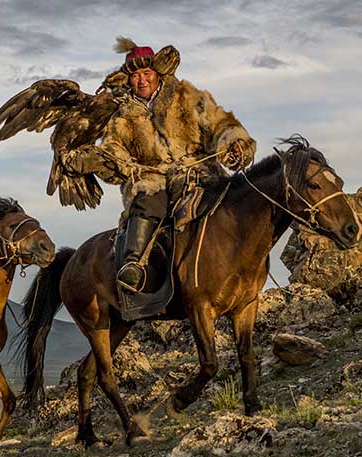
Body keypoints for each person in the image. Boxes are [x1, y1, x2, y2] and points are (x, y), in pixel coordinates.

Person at [73, 38, 257, 293]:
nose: (142, 80)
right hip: (152, 179)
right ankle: (133, 264)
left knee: (226, 205)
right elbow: (113, 149)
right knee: (147, 201)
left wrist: (234, 142)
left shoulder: (188, 97)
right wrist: (122, 165)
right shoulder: (120, 116)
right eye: (135, 75)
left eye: (147, 73)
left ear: (157, 73)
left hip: (198, 172)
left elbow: (220, 123)